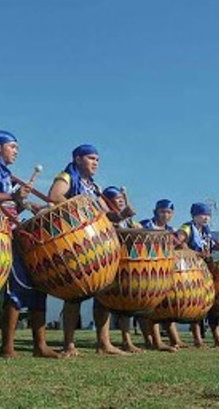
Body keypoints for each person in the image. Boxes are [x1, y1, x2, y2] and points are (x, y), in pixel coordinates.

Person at [0, 131, 64, 359]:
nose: (16, 151)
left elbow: (10, 207)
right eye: (12, 146)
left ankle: (39, 345)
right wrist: (13, 196)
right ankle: (7, 347)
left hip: (15, 231)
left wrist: (23, 204)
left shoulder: (7, 173)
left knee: (38, 287)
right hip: (1, 235)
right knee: (17, 289)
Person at [47, 144, 130, 356]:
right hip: (75, 242)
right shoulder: (67, 176)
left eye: (97, 159)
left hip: (95, 242)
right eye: (91, 158)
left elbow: (105, 212)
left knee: (101, 292)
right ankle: (69, 344)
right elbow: (55, 196)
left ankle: (104, 343)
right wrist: (82, 212)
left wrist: (120, 216)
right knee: (74, 294)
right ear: (77, 159)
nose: (95, 163)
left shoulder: (94, 186)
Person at [176, 202, 219, 349]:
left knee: (212, 304)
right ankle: (198, 339)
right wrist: (197, 254)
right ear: (194, 215)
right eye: (203, 215)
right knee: (198, 304)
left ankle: (217, 339)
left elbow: (213, 243)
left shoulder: (207, 231)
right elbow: (178, 242)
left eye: (208, 215)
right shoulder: (187, 227)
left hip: (207, 269)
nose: (206, 218)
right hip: (193, 270)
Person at [101, 186, 143, 353]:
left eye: (121, 198)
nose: (120, 200)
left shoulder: (128, 220)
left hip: (125, 263)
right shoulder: (106, 216)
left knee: (125, 303)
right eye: (116, 198)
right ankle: (103, 342)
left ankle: (126, 340)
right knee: (103, 302)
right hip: (109, 261)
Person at [137, 199, 183, 352]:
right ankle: (152, 340)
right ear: (156, 212)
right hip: (144, 269)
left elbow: (179, 245)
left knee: (162, 305)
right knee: (147, 305)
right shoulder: (145, 225)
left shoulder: (171, 230)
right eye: (163, 211)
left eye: (169, 212)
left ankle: (171, 339)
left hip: (162, 271)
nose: (165, 215)